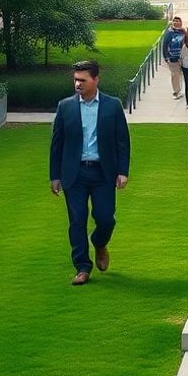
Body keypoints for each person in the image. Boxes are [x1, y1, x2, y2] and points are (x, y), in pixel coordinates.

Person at [50, 59, 131, 286]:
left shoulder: (112, 105)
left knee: (106, 218)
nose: (77, 84)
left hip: (103, 173)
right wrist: (55, 176)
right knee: (77, 220)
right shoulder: (65, 106)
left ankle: (99, 242)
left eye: (82, 80)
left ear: (95, 80)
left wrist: (123, 171)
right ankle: (82, 267)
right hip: (73, 174)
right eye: (75, 80)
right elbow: (57, 144)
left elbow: (122, 141)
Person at [164, 16, 186, 99]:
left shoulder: (183, 32)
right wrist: (166, 57)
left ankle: (179, 90)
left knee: (180, 74)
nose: (176, 22)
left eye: (178, 21)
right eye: (174, 21)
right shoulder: (169, 33)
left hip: (182, 57)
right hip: (172, 57)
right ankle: (176, 91)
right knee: (175, 74)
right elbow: (165, 45)